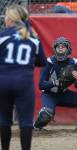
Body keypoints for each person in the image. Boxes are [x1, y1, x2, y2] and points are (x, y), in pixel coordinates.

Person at [0, 4, 46, 150]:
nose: (5, 19)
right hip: (24, 83)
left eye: (7, 16)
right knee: (25, 121)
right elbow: (42, 62)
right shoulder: (32, 38)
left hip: (3, 81)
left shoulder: (2, 36)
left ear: (12, 19)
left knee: (3, 119)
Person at [33, 37, 77, 133]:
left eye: (63, 46)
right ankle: (36, 127)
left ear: (68, 49)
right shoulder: (49, 62)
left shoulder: (72, 62)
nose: (60, 48)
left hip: (64, 94)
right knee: (46, 113)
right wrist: (56, 82)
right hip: (49, 94)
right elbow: (41, 85)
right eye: (58, 47)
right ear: (55, 49)